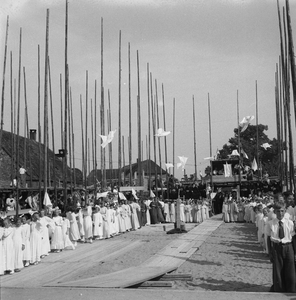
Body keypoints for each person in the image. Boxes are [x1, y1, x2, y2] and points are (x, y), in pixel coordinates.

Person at [266, 202, 295, 293]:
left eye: (282, 211)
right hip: (276, 247)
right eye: (278, 211)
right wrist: (270, 252)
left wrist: (295, 252)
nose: (280, 213)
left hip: (288, 247)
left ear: (285, 211)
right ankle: (278, 291)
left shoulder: (290, 223)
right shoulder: (270, 223)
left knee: (290, 271)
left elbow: (293, 238)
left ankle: (291, 290)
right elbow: (268, 238)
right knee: (278, 271)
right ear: (274, 212)